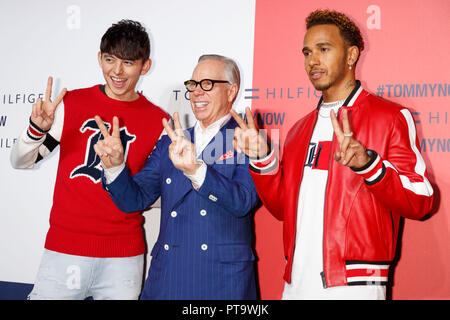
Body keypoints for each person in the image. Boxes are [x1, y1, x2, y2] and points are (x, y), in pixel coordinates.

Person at [231, 9, 434, 300]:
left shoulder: (388, 117)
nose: (312, 60)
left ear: (351, 56)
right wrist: (262, 159)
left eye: (323, 49)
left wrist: (368, 165)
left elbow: (421, 200)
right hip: (294, 282)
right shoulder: (299, 130)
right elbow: (281, 210)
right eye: (307, 52)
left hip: (355, 284)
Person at [10, 20, 168, 300]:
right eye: (110, 60)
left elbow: (153, 193)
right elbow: (21, 161)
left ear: (145, 66)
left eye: (128, 63)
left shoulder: (159, 122)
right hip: (64, 251)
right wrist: (37, 129)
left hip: (123, 257)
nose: (117, 72)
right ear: (99, 59)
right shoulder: (71, 104)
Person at [94, 54, 260, 300]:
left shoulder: (249, 138)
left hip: (222, 281)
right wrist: (116, 168)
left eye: (207, 84)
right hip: (168, 278)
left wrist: (196, 171)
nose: (196, 93)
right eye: (193, 85)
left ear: (231, 91)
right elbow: (134, 200)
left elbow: (243, 202)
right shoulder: (171, 141)